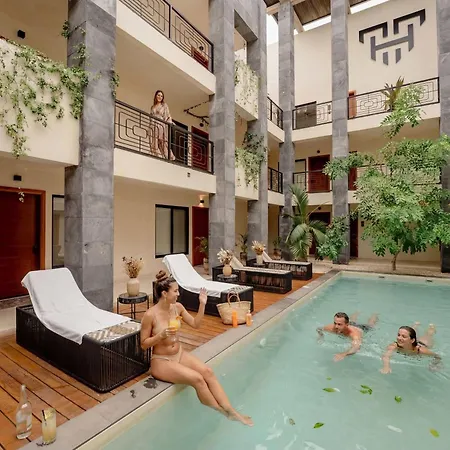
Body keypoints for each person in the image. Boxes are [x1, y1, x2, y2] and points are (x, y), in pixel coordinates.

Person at [140, 270, 253, 426]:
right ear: (164, 294)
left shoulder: (177, 307)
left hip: (179, 354)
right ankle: (222, 413)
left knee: (208, 372)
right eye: (175, 291)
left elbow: (196, 324)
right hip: (162, 361)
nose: (178, 294)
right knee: (197, 379)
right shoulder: (150, 315)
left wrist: (202, 304)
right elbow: (143, 344)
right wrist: (160, 336)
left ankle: (232, 411)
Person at [149, 90, 175, 160]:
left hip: (160, 124)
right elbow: (151, 117)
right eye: (158, 95)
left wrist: (170, 122)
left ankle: (169, 156)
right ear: (155, 96)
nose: (160, 97)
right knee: (154, 141)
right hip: (153, 124)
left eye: (161, 96)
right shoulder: (152, 107)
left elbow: (168, 115)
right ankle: (157, 155)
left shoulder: (164, 105)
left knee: (162, 141)